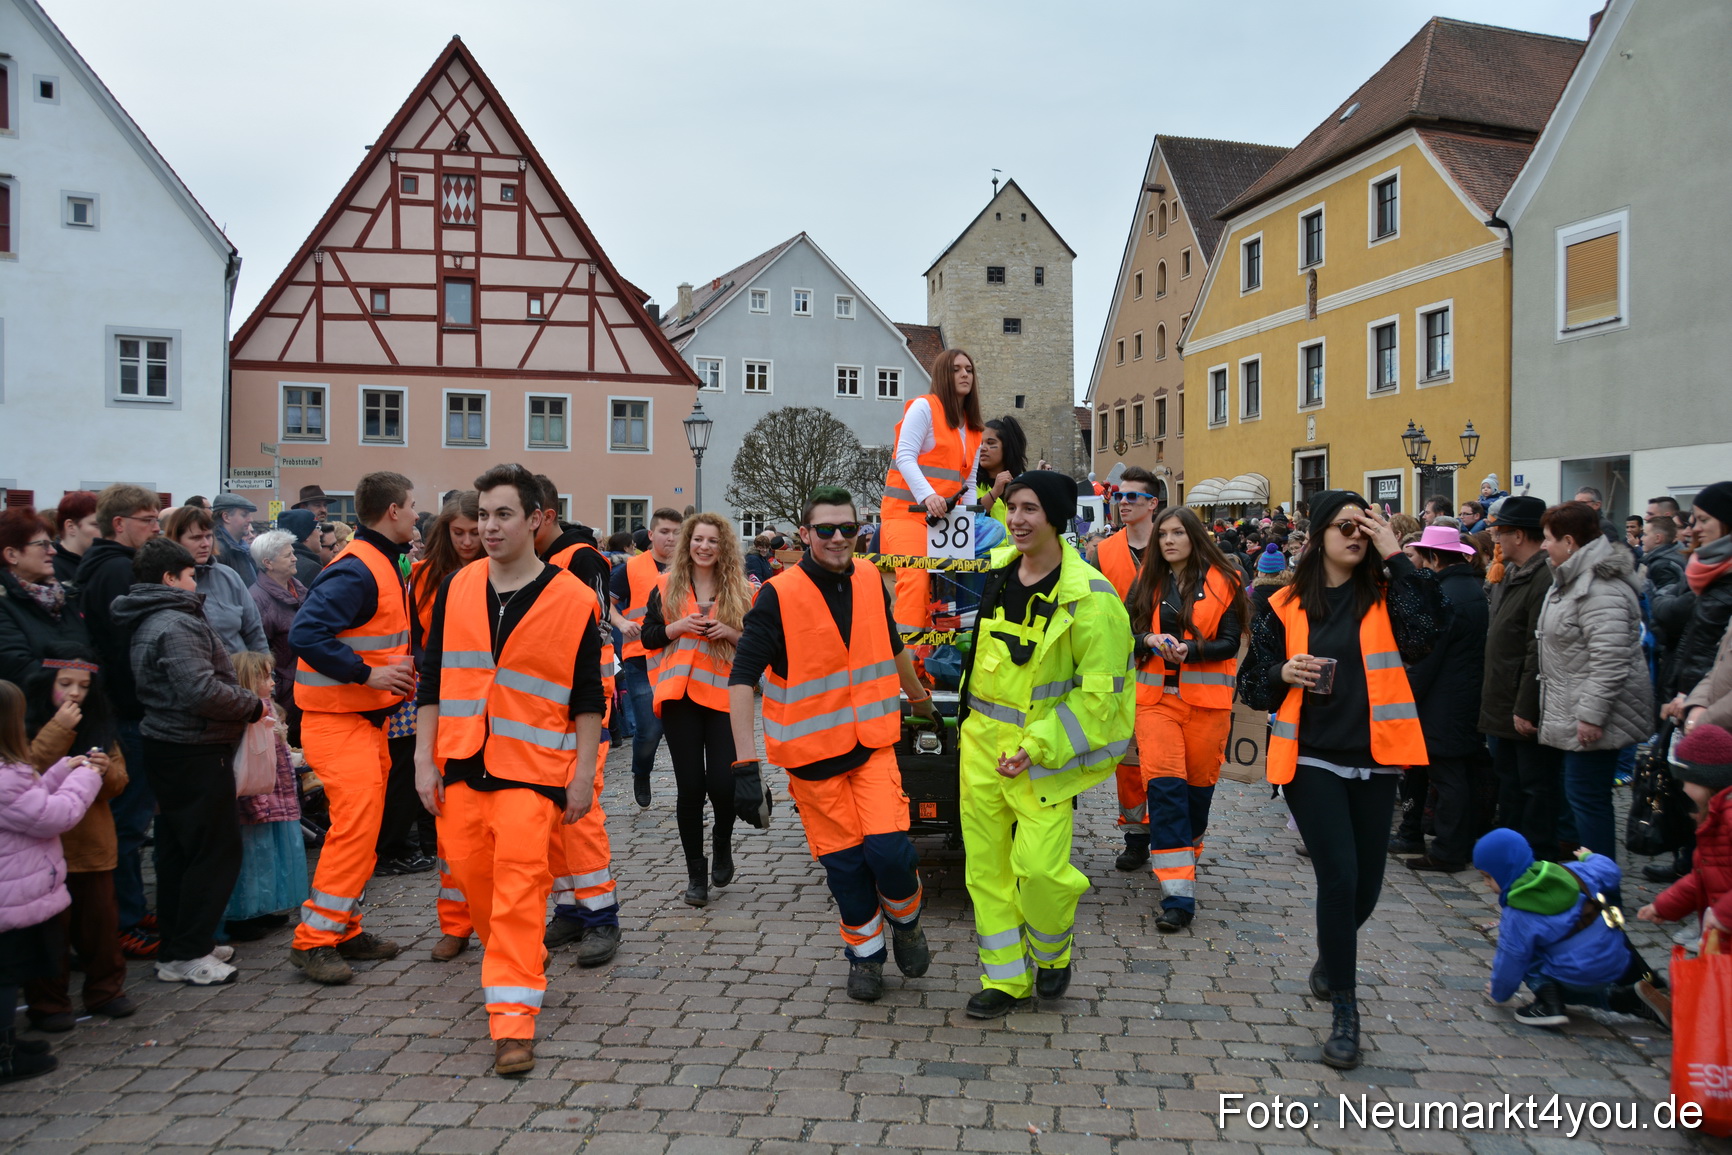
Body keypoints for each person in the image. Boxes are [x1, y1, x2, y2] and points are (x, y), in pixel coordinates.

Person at [1237, 490, 1443, 1069]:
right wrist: (1282, 670)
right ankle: (1345, 1011)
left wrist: (1395, 554)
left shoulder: (1387, 593)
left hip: (1378, 759)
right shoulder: (1282, 603)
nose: (1354, 535)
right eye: (1343, 526)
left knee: (1367, 888)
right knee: (1340, 878)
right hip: (1312, 760)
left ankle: (1332, 957)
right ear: (1321, 533)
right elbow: (1253, 687)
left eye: (1364, 526)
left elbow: (1427, 635)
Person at [414, 464, 605, 1077]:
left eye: (502, 515)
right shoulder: (458, 587)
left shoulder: (574, 597)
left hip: (533, 772)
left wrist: (579, 778)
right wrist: (424, 760)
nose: (489, 527)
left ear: (535, 519)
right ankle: (515, 969)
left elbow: (586, 697)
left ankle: (513, 1024)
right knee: (479, 891)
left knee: (521, 893)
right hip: (463, 764)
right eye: (484, 515)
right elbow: (433, 682)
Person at [727, 486, 936, 1000]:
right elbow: (740, 679)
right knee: (845, 867)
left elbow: (889, 644)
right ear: (805, 534)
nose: (839, 538)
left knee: (890, 852)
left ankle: (906, 923)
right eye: (826, 530)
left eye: (849, 528)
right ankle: (865, 957)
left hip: (872, 745)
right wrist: (744, 765)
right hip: (813, 758)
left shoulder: (868, 576)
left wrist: (920, 699)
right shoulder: (777, 595)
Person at [957, 471, 1134, 1019]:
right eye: (1012, 507)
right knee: (985, 871)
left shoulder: (1092, 600)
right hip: (981, 749)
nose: (1016, 519)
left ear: (1055, 517)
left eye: (1030, 508)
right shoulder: (995, 572)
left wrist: (1035, 747)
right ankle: (1005, 981)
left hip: (1042, 758)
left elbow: (1098, 701)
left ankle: (1053, 955)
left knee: (1038, 869)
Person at [112, 538, 263, 986]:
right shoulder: (174, 623)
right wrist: (250, 704)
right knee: (212, 851)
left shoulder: (161, 618)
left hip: (178, 745)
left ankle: (184, 941)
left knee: (181, 850)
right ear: (169, 578)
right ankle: (189, 950)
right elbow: (199, 691)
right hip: (192, 747)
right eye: (190, 574)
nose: (197, 580)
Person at [286, 472, 418, 986]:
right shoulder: (359, 570)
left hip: (359, 720)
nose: (414, 513)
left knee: (360, 835)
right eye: (411, 506)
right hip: (338, 721)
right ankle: (315, 941)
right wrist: (369, 673)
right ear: (391, 511)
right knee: (352, 834)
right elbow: (305, 633)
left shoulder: (377, 563)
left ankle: (342, 928)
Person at [1123, 505, 1245, 931]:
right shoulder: (1145, 581)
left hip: (1207, 704)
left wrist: (1190, 650)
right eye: (1162, 535)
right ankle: (1178, 895)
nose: (1169, 540)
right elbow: (1124, 633)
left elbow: (1230, 644)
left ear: (1195, 536)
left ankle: (1183, 860)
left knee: (1196, 795)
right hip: (1155, 701)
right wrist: (1148, 639)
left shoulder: (1225, 582)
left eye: (1177, 532)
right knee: (1166, 789)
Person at [532, 478, 623, 966]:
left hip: (581, 708)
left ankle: (601, 917)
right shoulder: (544, 562)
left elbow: (589, 637)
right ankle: (569, 908)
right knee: (553, 821)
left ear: (544, 515)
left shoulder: (580, 559)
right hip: (542, 713)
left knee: (581, 816)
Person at [641, 513, 753, 906]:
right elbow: (649, 636)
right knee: (690, 787)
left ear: (724, 548)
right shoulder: (665, 585)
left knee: (723, 786)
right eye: (698, 539)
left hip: (724, 698)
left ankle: (722, 841)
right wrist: (678, 627)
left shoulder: (742, 590)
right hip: (679, 697)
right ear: (688, 543)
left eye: (713, 541)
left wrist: (732, 634)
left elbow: (759, 645)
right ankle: (696, 874)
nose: (704, 547)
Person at [1535, 501, 1653, 867]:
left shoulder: (1601, 588)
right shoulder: (1574, 578)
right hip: (1574, 708)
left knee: (1588, 800)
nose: (1543, 546)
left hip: (1593, 716)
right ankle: (1588, 883)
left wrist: (1590, 716)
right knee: (1581, 798)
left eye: (1548, 538)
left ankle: (1602, 894)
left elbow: (1611, 660)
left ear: (1569, 542)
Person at [21, 648, 134, 1029]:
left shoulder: (100, 726)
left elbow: (119, 783)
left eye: (83, 686)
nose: (74, 693)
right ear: (46, 685)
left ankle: (106, 991)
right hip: (42, 852)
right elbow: (26, 774)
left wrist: (104, 771)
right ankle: (49, 1004)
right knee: (50, 933)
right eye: (65, 684)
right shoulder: (30, 724)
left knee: (100, 928)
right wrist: (59, 729)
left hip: (93, 847)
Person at [74, 484, 161, 959]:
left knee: (131, 822)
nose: (155, 528)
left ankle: (130, 908)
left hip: (128, 709)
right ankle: (123, 920)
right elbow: (124, 647)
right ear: (119, 524)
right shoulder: (113, 570)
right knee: (126, 826)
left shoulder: (111, 565)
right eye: (147, 520)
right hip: (128, 713)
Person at [0, 680, 102, 1083]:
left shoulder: (10, 773)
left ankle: (7, 1041)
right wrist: (88, 776)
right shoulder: (7, 776)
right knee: (5, 976)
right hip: (10, 896)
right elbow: (52, 815)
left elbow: (31, 799)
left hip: (12, 890)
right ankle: (4, 1053)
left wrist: (63, 768)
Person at [1473, 828, 1666, 1030]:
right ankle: (1633, 997)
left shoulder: (1517, 914)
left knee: (1526, 955)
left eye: (1488, 877)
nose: (1486, 884)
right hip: (1617, 958)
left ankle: (1550, 1004)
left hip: (1579, 974)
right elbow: (1610, 871)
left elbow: (1510, 959)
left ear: (1506, 870)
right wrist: (1588, 857)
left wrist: (1499, 992)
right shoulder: (1571, 872)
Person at [407, 492, 482, 962]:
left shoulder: (505, 573)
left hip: (500, 713)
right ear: (444, 532)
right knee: (451, 830)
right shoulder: (423, 577)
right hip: (448, 710)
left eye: (476, 532)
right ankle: (456, 924)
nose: (470, 541)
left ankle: (509, 926)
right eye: (460, 533)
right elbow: (420, 647)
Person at [1478, 496, 1564, 861]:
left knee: (1533, 788)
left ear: (1519, 535)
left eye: (1500, 531)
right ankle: (1514, 861)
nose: (1494, 538)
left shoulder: (1543, 577)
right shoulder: (1511, 573)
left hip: (1521, 704)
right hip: (1501, 699)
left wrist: (1526, 706)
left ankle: (1536, 860)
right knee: (1510, 786)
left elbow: (1536, 649)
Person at [1398, 527, 1488, 873]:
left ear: (1434, 557)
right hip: (1463, 694)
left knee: (1448, 777)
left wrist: (1407, 695)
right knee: (1457, 774)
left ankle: (1449, 851)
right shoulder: (1471, 588)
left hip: (1444, 700)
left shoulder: (1445, 594)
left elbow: (1428, 657)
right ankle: (1458, 844)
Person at [880, 348, 985, 627]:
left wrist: (970, 521)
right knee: (915, 580)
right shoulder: (925, 407)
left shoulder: (975, 429)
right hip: (907, 515)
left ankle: (940, 657)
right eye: (956, 369)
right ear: (942, 375)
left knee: (952, 588)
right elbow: (904, 455)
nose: (965, 374)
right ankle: (909, 661)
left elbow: (969, 482)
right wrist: (929, 496)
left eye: (969, 369)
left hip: (948, 523)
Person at [1088, 467, 1158, 872]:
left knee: (1164, 759)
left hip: (1166, 667)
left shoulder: (1173, 545)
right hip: (1120, 665)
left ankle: (1168, 831)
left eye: (1133, 496)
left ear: (1152, 504)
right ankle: (1136, 836)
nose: (1124, 502)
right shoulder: (1103, 552)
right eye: (1120, 495)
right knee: (1128, 759)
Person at [221, 651, 309, 943]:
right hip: (259, 797)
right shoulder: (249, 714)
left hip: (275, 796)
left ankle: (262, 907)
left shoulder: (267, 708)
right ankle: (243, 915)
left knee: (267, 855)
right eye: (266, 677)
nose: (273, 682)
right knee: (253, 857)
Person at [1637, 723, 1732, 950]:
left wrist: (1723, 916)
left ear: (1706, 781)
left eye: (1685, 782)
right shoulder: (1713, 818)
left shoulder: (1728, 819)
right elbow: (1703, 876)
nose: (1684, 790)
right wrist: (1665, 906)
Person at [613, 508, 681, 807]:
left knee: (683, 729)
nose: (671, 538)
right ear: (651, 535)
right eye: (665, 532)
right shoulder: (629, 568)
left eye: (677, 532)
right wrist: (621, 622)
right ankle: (641, 771)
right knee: (650, 728)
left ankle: (690, 790)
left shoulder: (689, 567)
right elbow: (606, 603)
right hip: (640, 656)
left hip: (680, 656)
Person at [0, 508, 92, 688]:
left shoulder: (64, 597)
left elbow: (92, 652)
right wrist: (74, 684)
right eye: (42, 544)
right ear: (11, 555)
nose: (53, 551)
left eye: (51, 543)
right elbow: (17, 666)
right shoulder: (4, 603)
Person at [163, 506, 267, 657]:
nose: (205, 544)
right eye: (196, 538)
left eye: (208, 536)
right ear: (176, 540)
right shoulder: (168, 580)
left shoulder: (228, 576)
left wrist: (264, 671)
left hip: (241, 674)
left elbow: (255, 631)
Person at [248, 530, 307, 722]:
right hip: (283, 695)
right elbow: (259, 652)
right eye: (287, 555)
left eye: (293, 553)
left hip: (303, 687)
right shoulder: (257, 599)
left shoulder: (299, 590)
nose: (294, 558)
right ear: (268, 563)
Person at [975, 416, 1027, 527]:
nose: (982, 448)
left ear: (1007, 448)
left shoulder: (1023, 485)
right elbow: (970, 519)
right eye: (980, 443)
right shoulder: (970, 485)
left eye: (990, 443)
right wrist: (995, 492)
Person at [49, 493, 99, 586]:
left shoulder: (99, 564)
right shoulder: (50, 568)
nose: (104, 531)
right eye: (96, 525)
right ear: (70, 526)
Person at [211, 494, 260, 586]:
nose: (251, 519)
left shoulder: (241, 548)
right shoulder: (217, 550)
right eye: (244, 515)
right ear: (226, 517)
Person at [277, 509, 326, 590]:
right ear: (305, 534)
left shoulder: (277, 563)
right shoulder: (311, 569)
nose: (321, 533)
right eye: (317, 528)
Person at [1642, 517, 1686, 595]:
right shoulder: (1675, 555)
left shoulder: (1662, 566)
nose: (1641, 539)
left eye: (1645, 535)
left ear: (1658, 538)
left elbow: (1666, 599)